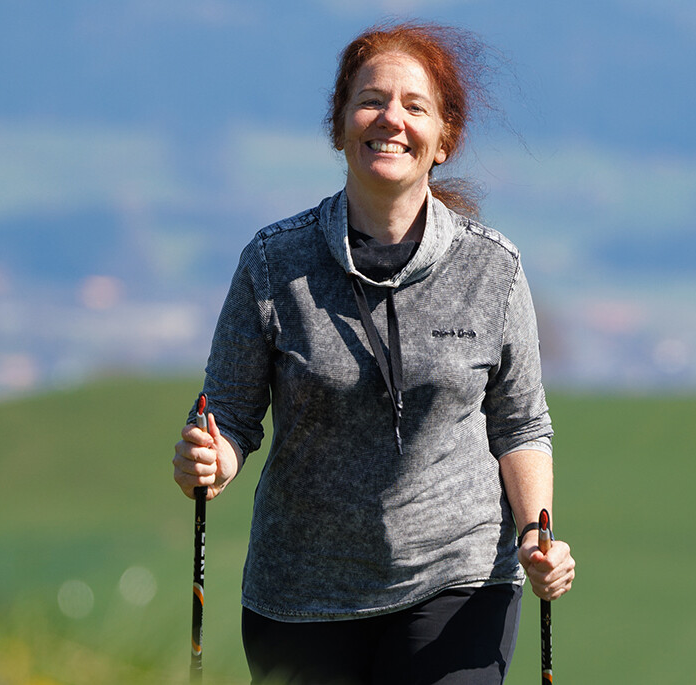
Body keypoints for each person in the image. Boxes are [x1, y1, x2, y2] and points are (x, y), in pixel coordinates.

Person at [173, 21, 575, 685]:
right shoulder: (274, 263)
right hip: (301, 595)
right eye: (371, 101)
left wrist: (537, 536)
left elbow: (520, 425)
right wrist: (211, 461)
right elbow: (231, 418)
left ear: (444, 138)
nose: (391, 119)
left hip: (458, 583)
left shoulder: (491, 269)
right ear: (339, 126)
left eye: (414, 106)